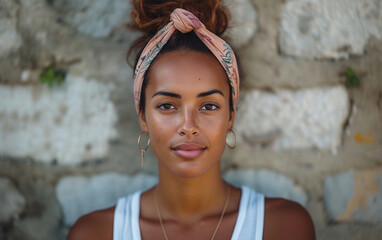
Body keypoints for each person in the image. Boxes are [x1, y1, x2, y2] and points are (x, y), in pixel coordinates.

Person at [67, 0, 316, 239]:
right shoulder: (95, 233)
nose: (188, 126)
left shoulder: (283, 228)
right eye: (167, 105)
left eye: (208, 106)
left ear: (230, 116)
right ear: (143, 117)